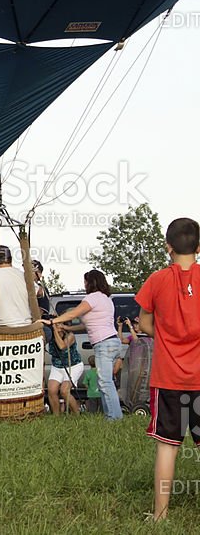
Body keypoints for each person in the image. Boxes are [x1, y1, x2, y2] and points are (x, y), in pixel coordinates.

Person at [134, 217, 200, 522]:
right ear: (198, 247)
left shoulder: (156, 280)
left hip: (168, 379)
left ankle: (160, 515)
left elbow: (144, 322)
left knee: (167, 447)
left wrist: (164, 335)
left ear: (168, 247)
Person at [41, 269, 122, 421]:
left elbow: (74, 314)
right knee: (104, 381)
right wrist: (67, 328)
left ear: (91, 282)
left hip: (104, 344)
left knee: (105, 382)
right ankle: (110, 415)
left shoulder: (92, 298)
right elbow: (87, 325)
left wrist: (52, 322)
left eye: (85, 281)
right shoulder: (106, 299)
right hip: (112, 341)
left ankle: (114, 418)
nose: (84, 284)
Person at [45, 323, 82, 415]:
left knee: (64, 391)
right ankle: (56, 415)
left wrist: (55, 331)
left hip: (73, 366)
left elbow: (62, 346)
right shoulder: (51, 336)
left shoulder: (70, 336)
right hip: (57, 366)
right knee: (51, 390)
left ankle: (76, 414)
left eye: (58, 325)